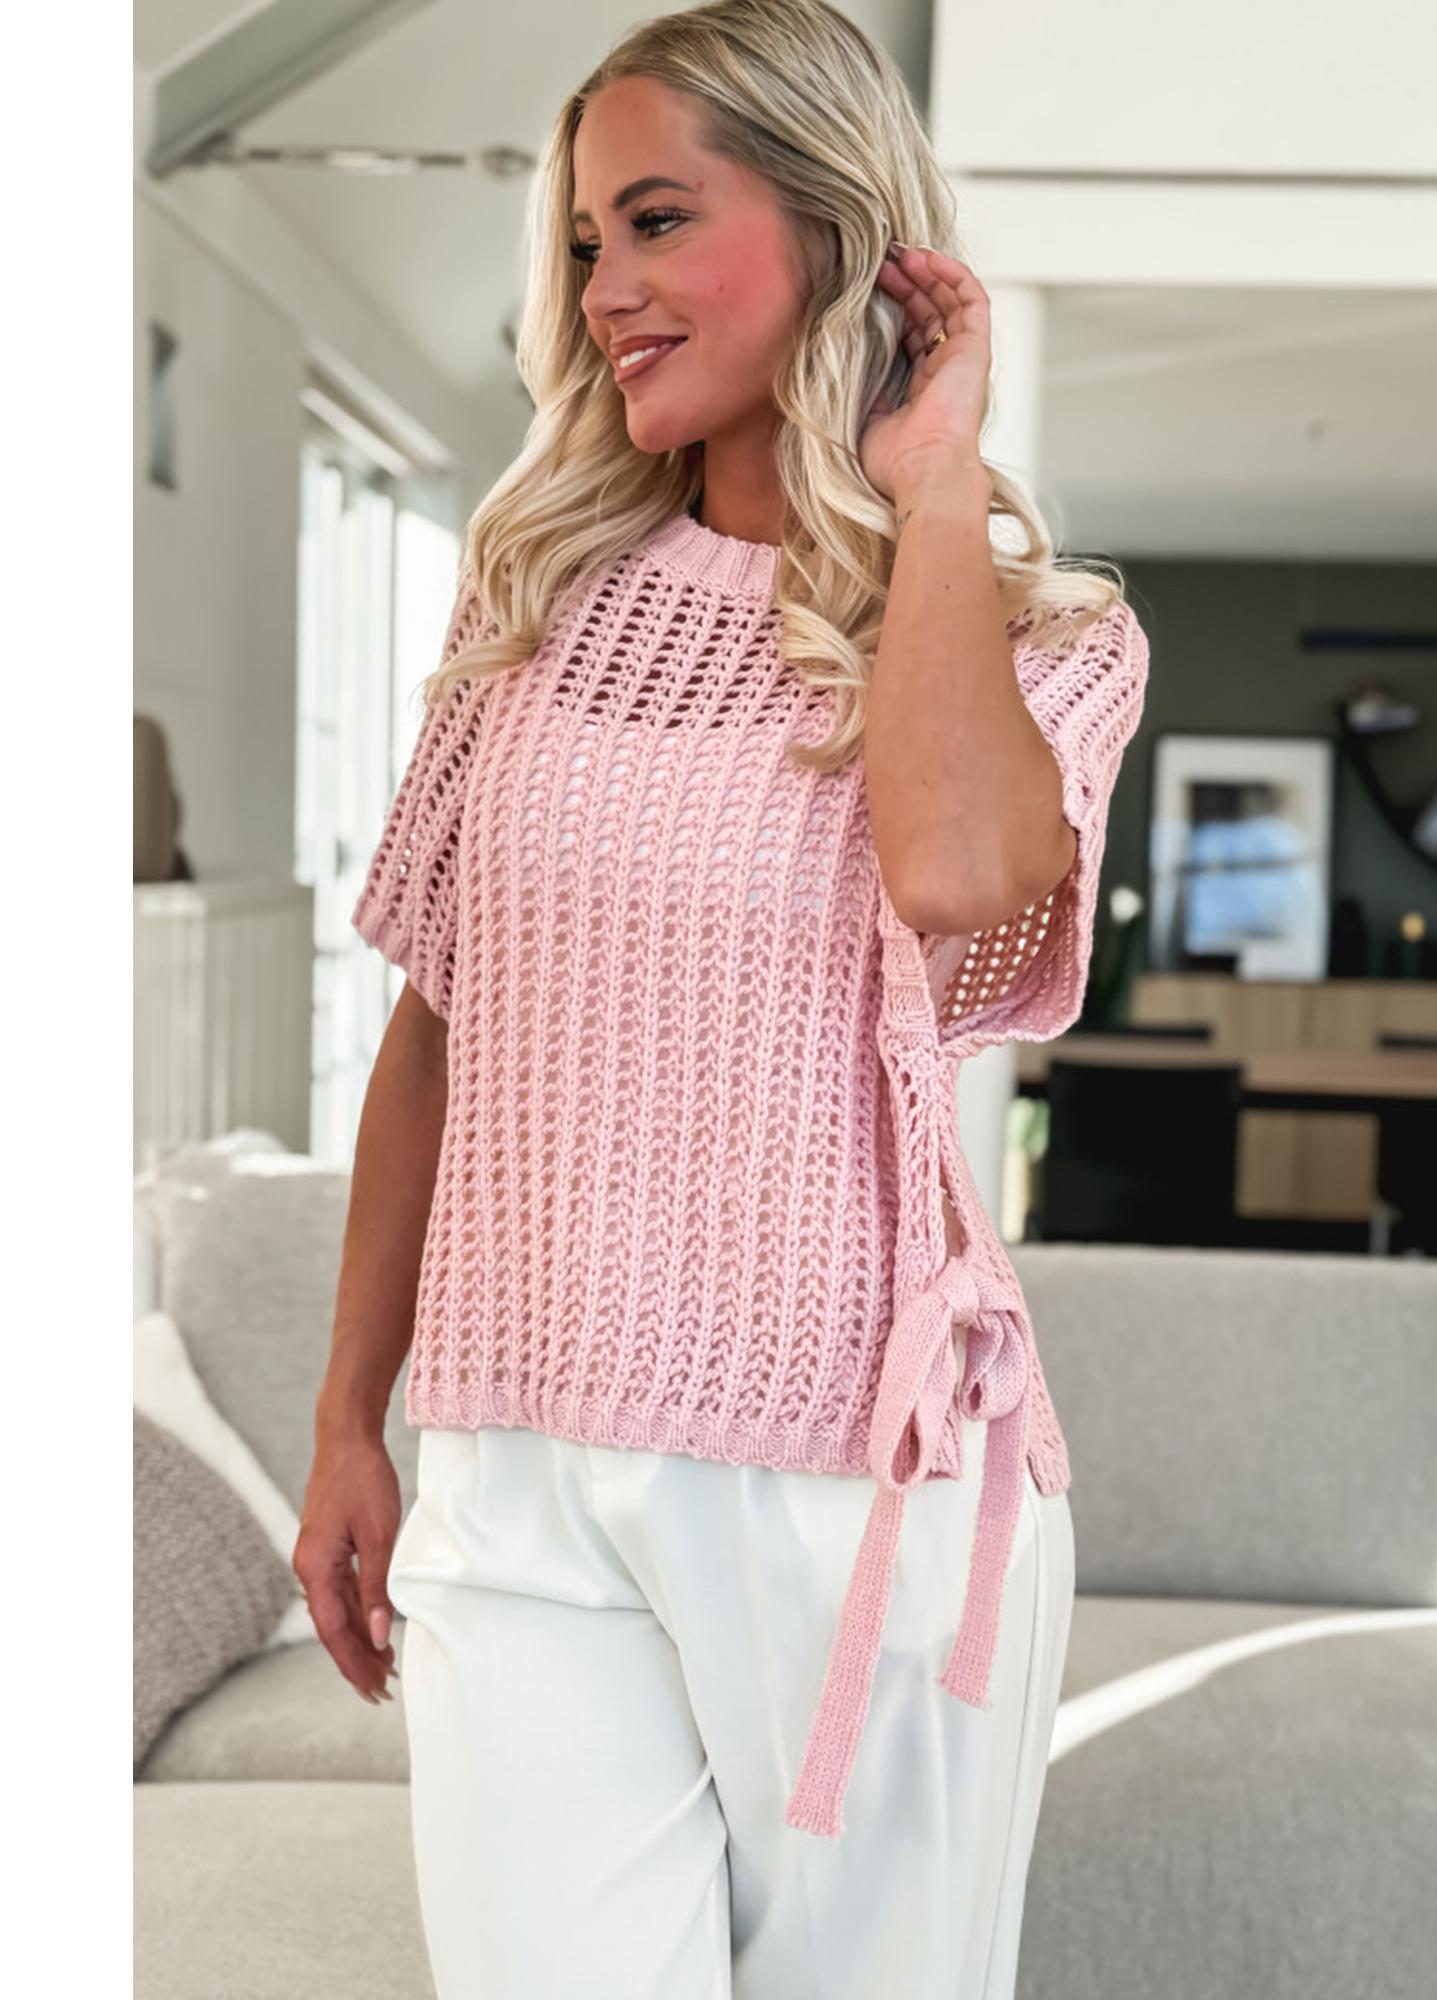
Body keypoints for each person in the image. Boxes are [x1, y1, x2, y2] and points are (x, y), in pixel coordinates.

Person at [295, 3, 1150, 1994]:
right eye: (586, 240)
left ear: (836, 226)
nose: (607, 287)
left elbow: (955, 874)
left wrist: (930, 490)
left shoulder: (1052, 636)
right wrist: (347, 1414)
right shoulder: (532, 605)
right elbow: (440, 1025)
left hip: (859, 1485)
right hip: (509, 1463)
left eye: (659, 221)